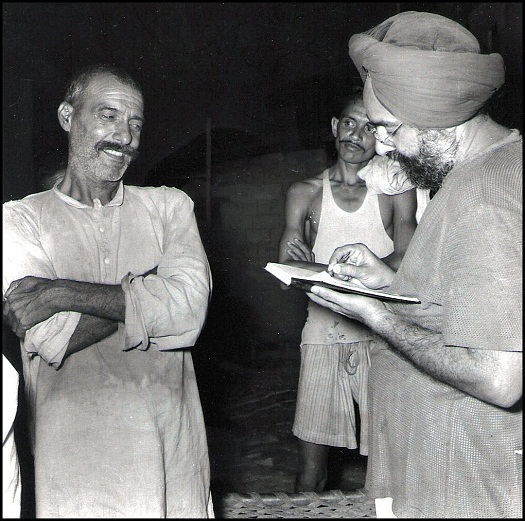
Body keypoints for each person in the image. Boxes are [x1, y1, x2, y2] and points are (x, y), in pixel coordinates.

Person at [307, 11, 522, 518]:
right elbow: (469, 305)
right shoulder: (502, 163)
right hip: (448, 464)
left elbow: (499, 376)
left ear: (435, 116)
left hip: (461, 478)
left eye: (388, 129)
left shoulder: (481, 194)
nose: (381, 146)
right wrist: (388, 283)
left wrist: (374, 315)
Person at [2, 64, 214, 518]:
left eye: (135, 123)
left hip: (170, 458)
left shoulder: (169, 206)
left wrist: (60, 291)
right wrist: (152, 286)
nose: (126, 136)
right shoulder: (19, 219)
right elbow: (51, 335)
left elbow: (190, 311)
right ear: (67, 116)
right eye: (109, 115)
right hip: (76, 464)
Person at [278, 89, 418, 492]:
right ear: (334, 127)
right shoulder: (304, 193)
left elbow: (409, 255)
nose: (356, 135)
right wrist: (307, 268)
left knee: (392, 466)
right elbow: (289, 263)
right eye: (349, 123)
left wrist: (345, 272)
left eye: (369, 127)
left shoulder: (395, 191)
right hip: (323, 334)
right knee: (311, 471)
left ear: (382, 137)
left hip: (382, 336)